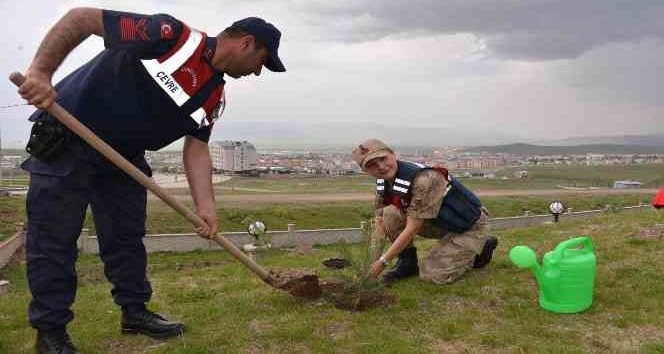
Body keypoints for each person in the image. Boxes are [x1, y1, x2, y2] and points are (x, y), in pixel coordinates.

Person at [16, 7, 285, 354]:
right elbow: (82, 18)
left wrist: (206, 207)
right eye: (262, 61)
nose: (258, 72)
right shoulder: (170, 37)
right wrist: (40, 72)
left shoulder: (213, 96)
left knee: (126, 238)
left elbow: (197, 149)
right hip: (69, 139)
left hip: (125, 159)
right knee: (54, 240)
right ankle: (50, 332)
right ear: (247, 43)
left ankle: (134, 312)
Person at [351, 139, 497, 285]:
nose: (381, 167)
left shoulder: (424, 180)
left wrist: (382, 263)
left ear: (393, 154)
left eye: (383, 159)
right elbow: (380, 223)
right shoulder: (384, 181)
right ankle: (408, 264)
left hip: (469, 226)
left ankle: (481, 247)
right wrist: (370, 265)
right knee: (389, 214)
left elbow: (412, 228)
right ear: (365, 171)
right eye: (372, 165)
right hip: (439, 222)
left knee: (432, 275)